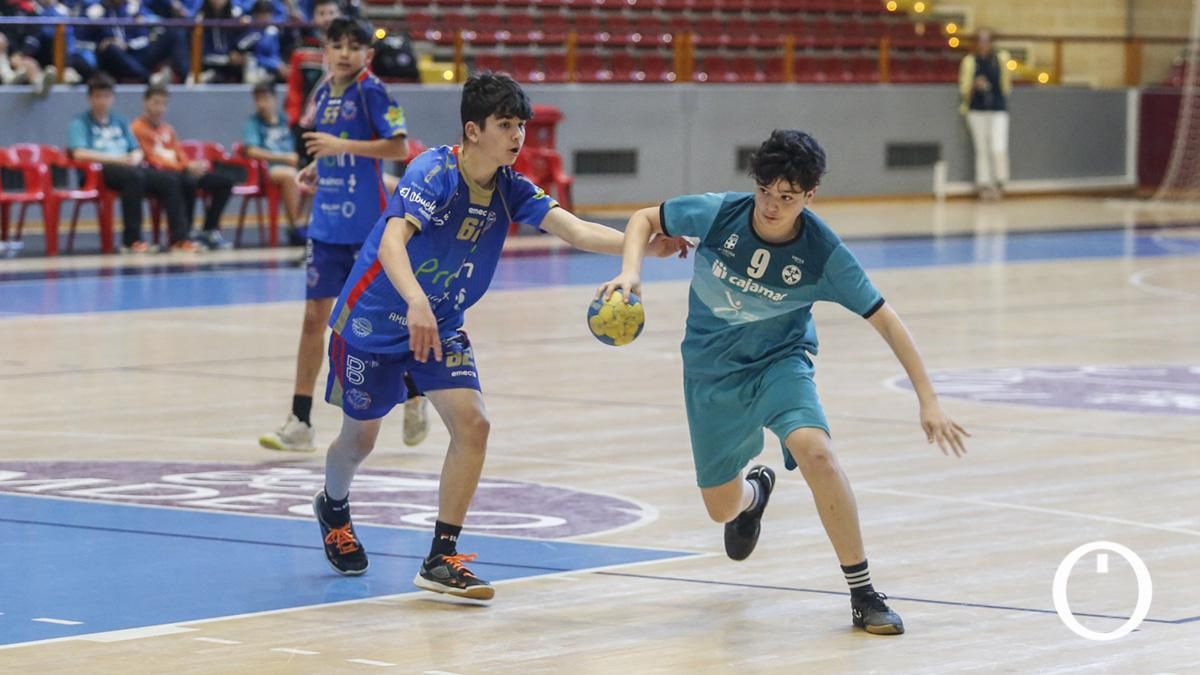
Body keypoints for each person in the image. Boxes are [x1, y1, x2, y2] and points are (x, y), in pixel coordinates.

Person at [310, 73, 688, 600]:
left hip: (439, 324)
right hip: (374, 320)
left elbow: (574, 229)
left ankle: (442, 558)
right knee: (359, 440)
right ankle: (333, 504)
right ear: (473, 129)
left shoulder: (510, 187)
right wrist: (415, 300)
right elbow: (393, 243)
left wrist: (647, 246)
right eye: (506, 125)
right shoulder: (433, 173)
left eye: (521, 126)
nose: (517, 136)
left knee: (474, 424)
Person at [596, 129, 969, 635]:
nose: (772, 206)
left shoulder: (823, 252)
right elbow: (644, 218)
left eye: (787, 198)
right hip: (711, 372)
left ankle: (863, 593)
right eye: (765, 192)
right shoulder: (718, 213)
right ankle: (755, 495)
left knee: (817, 452)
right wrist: (631, 273)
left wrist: (929, 399)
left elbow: (885, 318)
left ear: (809, 197)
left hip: (780, 362)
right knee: (719, 507)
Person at [258, 16, 419, 453]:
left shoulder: (373, 91)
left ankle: (415, 392)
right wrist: (319, 166)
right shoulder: (324, 92)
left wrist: (341, 148)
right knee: (314, 318)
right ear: (325, 51)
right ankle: (301, 420)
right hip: (326, 225)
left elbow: (399, 148)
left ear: (367, 53)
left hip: (367, 228)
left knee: (377, 322)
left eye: (354, 46)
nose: (345, 53)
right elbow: (330, 148)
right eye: (337, 45)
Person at [67, 74, 189, 254]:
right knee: (135, 177)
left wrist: (135, 157)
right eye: (98, 96)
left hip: (128, 167)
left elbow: (136, 149)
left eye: (106, 96)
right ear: (90, 98)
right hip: (99, 171)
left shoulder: (121, 121)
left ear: (112, 98)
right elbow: (79, 153)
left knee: (170, 180)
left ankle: (179, 239)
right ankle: (132, 240)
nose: (102, 101)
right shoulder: (79, 123)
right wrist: (119, 160)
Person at [131, 84, 234, 251]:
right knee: (187, 181)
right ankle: (185, 233)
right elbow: (151, 158)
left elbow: (179, 152)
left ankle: (208, 230)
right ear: (145, 103)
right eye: (156, 103)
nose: (160, 108)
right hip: (161, 175)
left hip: (180, 170)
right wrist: (184, 168)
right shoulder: (137, 128)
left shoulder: (168, 130)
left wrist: (190, 165)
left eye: (163, 104)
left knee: (223, 182)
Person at [243, 81, 304, 236]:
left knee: (316, 176)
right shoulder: (253, 123)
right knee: (289, 176)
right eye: (257, 100)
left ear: (274, 99)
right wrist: (283, 158)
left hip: (294, 165)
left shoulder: (287, 120)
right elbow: (252, 151)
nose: (261, 104)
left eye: (265, 98)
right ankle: (296, 228)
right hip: (267, 171)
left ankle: (311, 226)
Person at [959, 28, 1012, 200]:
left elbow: (1006, 84)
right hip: (977, 110)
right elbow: (964, 88)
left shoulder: (1000, 59)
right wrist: (975, 85)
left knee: (998, 146)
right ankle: (983, 184)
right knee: (981, 148)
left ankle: (1000, 181)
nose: (984, 44)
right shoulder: (970, 61)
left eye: (987, 40)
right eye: (980, 40)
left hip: (997, 108)